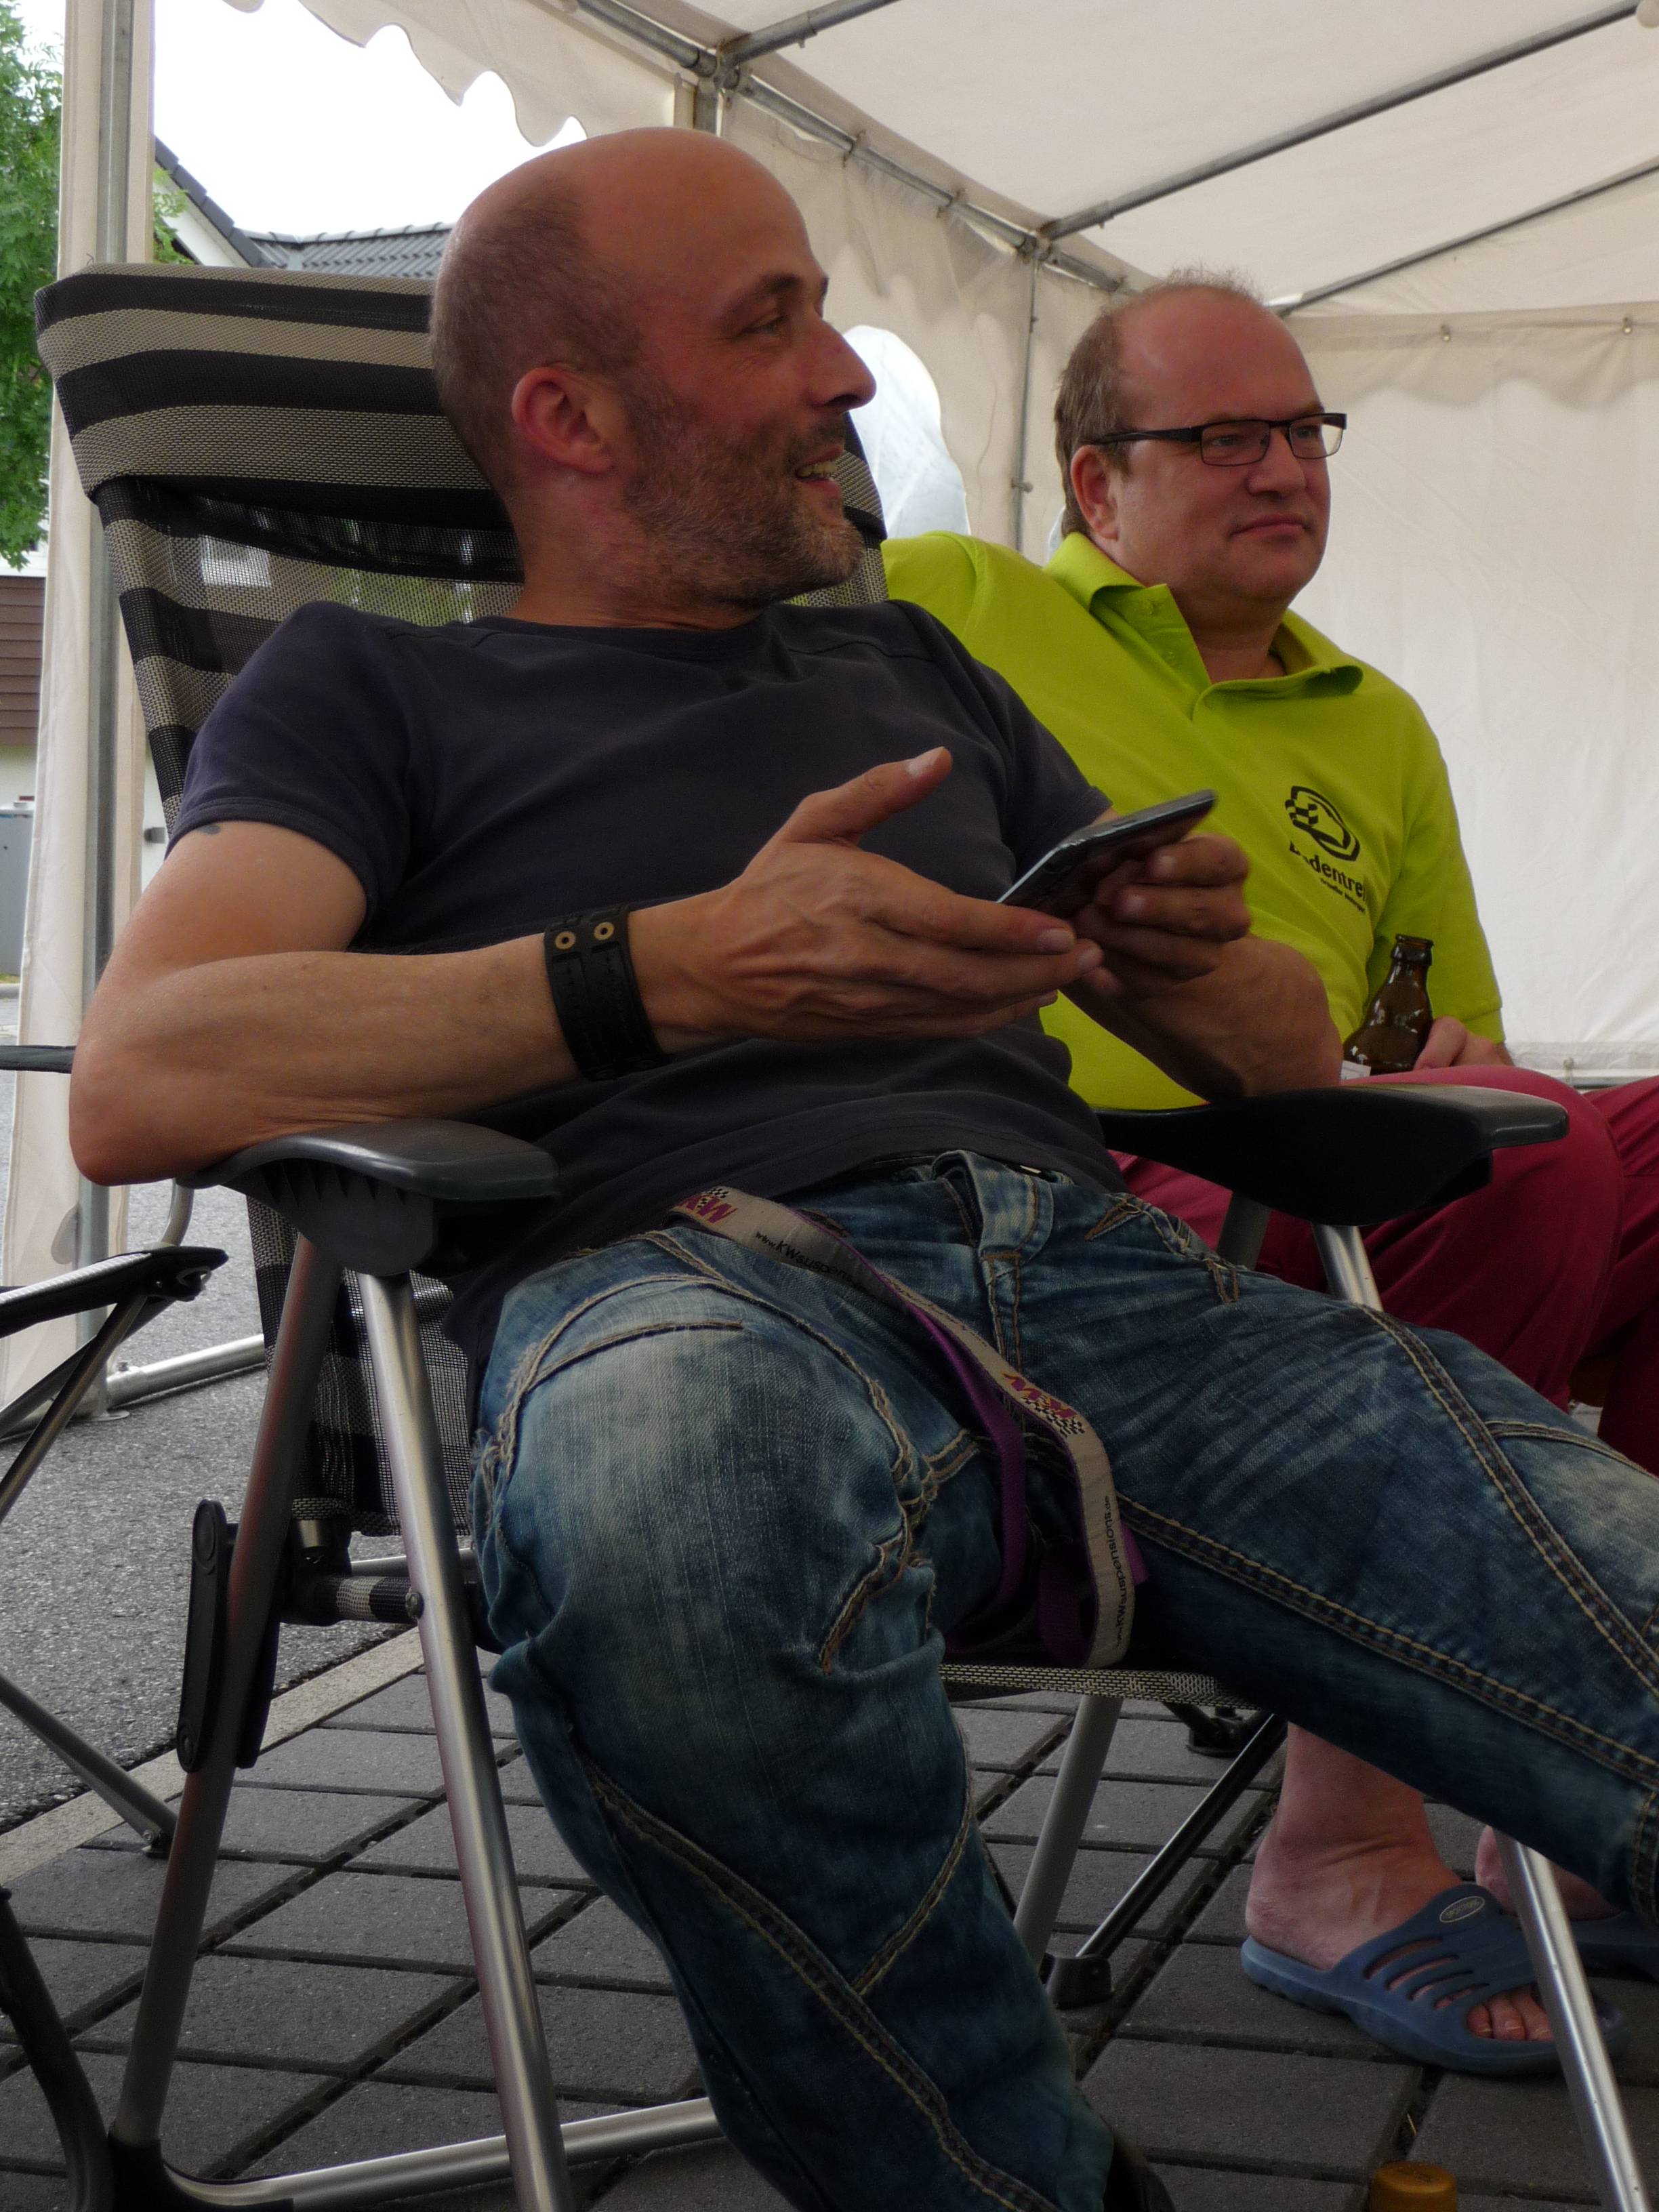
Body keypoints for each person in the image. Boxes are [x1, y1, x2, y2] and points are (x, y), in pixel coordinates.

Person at [68, 135, 1659, 2211]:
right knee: (671, 1546)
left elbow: (1282, 1057)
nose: (844, 374)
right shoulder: (376, 686)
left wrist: (1182, 951)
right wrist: (668, 970)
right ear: (569, 417)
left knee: (1607, 1587)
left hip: (1105, 1283)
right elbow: (150, 1069)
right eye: (775, 324)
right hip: (679, 1283)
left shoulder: (918, 677)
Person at [884, 274, 1659, 2065]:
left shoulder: (1374, 721)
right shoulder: (958, 601)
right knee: (1510, 1173)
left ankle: (1584, 1800)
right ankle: (1339, 1848)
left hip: (1316, 1155)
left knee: (1531, 1142)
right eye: (1226, 436)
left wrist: (1431, 1053)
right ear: (1096, 484)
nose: (1285, 468)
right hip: (1070, 1186)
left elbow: (1423, 1018)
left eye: (1306, 431)